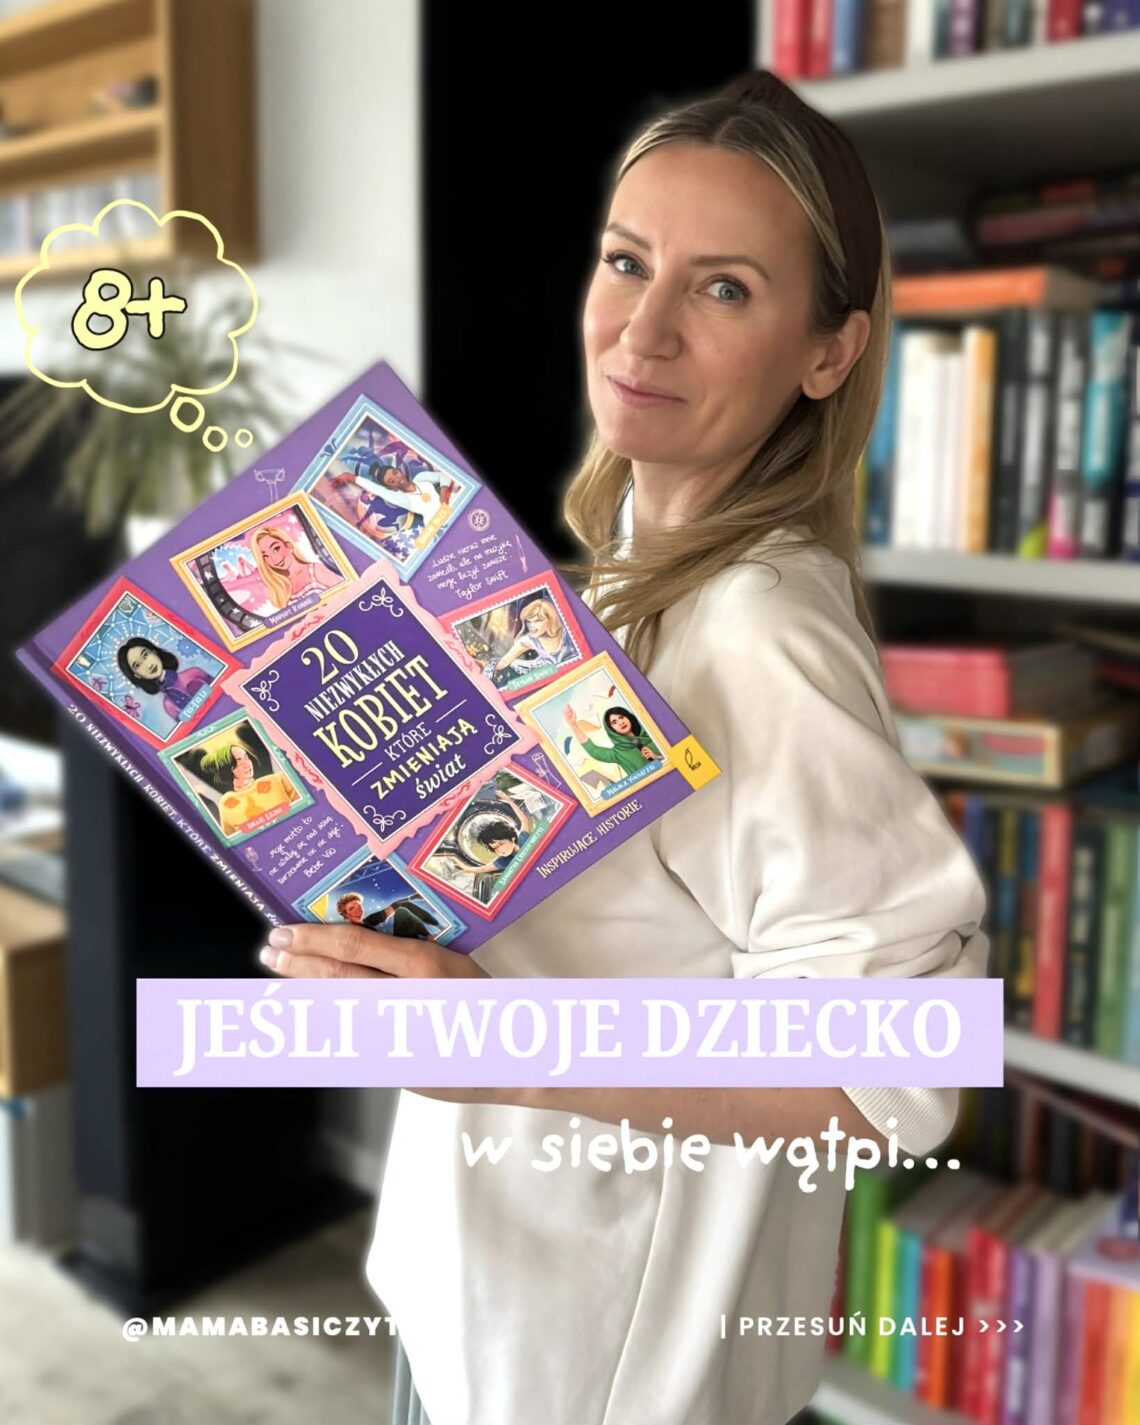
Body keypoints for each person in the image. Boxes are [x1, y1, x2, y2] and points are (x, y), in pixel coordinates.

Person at [255, 69, 990, 1425]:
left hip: (590, 1373)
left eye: (725, 289)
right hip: (474, 1287)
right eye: (627, 262)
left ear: (827, 353)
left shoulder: (756, 628)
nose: (642, 331)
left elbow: (899, 1061)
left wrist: (506, 1045)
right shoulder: (606, 584)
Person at [116, 636, 212, 723]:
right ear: (136, 675)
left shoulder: (193, 672)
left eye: (145, 655)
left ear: (154, 652)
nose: (147, 665)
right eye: (137, 665)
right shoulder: (168, 705)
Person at [251, 525, 342, 609]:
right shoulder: (281, 588)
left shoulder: (316, 570)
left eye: (276, 549)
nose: (274, 559)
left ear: (288, 546)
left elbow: (347, 591)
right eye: (265, 556)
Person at [564, 702, 663, 775]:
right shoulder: (618, 753)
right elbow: (594, 750)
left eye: (621, 717)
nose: (620, 722)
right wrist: (573, 725)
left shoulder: (653, 734)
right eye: (614, 722)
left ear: (629, 717)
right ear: (611, 729)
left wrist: (657, 757)